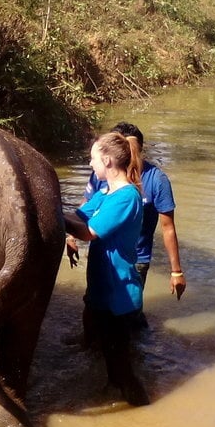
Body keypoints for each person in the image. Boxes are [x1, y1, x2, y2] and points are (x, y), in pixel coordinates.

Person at [64, 131, 149, 406]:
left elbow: (88, 232)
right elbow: (77, 216)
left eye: (93, 159)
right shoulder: (105, 192)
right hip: (103, 288)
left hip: (119, 294)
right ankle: (117, 407)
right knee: (107, 360)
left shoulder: (127, 198)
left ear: (109, 161)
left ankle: (141, 412)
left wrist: (57, 221)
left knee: (121, 367)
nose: (90, 164)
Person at [67, 121, 185, 305]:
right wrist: (69, 236)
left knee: (123, 309)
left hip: (136, 256)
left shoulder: (154, 181)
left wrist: (176, 271)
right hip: (104, 252)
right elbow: (85, 208)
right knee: (97, 304)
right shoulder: (104, 177)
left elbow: (167, 227)